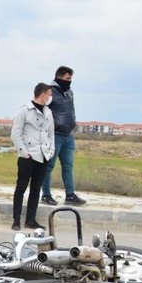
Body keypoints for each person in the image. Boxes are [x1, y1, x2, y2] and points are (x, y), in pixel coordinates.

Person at [10, 83, 55, 231]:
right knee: (21, 188)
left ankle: (31, 220)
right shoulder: (25, 111)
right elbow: (15, 134)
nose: (50, 97)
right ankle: (16, 220)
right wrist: (24, 152)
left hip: (43, 156)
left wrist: (51, 151)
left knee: (36, 190)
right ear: (43, 95)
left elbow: (51, 134)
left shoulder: (48, 112)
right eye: (49, 94)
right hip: (28, 156)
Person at [41, 66, 87, 207]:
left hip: (68, 135)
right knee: (48, 166)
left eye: (71, 78)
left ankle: (70, 195)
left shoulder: (69, 92)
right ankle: (46, 195)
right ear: (59, 77)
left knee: (68, 166)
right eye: (67, 78)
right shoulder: (49, 92)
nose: (70, 81)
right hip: (55, 135)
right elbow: (42, 110)